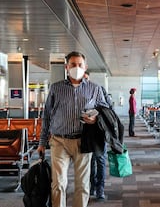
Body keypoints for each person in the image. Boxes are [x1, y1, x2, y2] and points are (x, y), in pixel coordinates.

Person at [37, 51, 109, 207]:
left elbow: (105, 112)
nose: (77, 67)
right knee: (58, 183)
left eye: (80, 65)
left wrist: (96, 119)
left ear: (85, 67)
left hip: (83, 141)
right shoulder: (56, 88)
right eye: (73, 65)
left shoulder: (95, 89)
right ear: (66, 67)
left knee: (82, 184)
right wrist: (42, 142)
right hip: (59, 140)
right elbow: (47, 116)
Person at [83, 71, 109, 201]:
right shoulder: (78, 93)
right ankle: (92, 186)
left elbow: (107, 110)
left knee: (100, 160)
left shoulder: (98, 89)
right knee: (90, 162)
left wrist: (95, 116)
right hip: (86, 133)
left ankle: (100, 188)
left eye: (86, 78)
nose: (84, 81)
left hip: (99, 132)